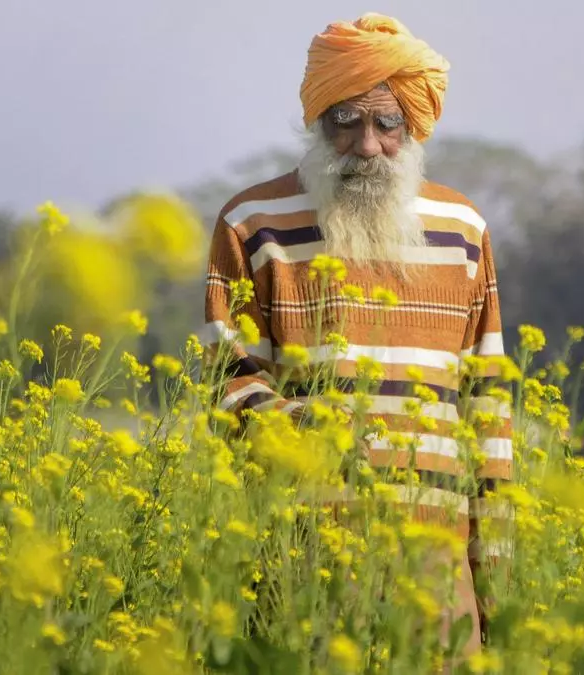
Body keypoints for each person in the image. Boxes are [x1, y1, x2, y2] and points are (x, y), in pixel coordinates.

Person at [201, 12, 513, 661]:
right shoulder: (253, 223)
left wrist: (499, 586)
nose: (367, 146)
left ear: (413, 126)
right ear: (317, 123)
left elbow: (488, 410)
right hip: (302, 558)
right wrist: (302, 429)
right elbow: (227, 378)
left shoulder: (462, 229)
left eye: (386, 122)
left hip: (436, 564)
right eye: (347, 121)